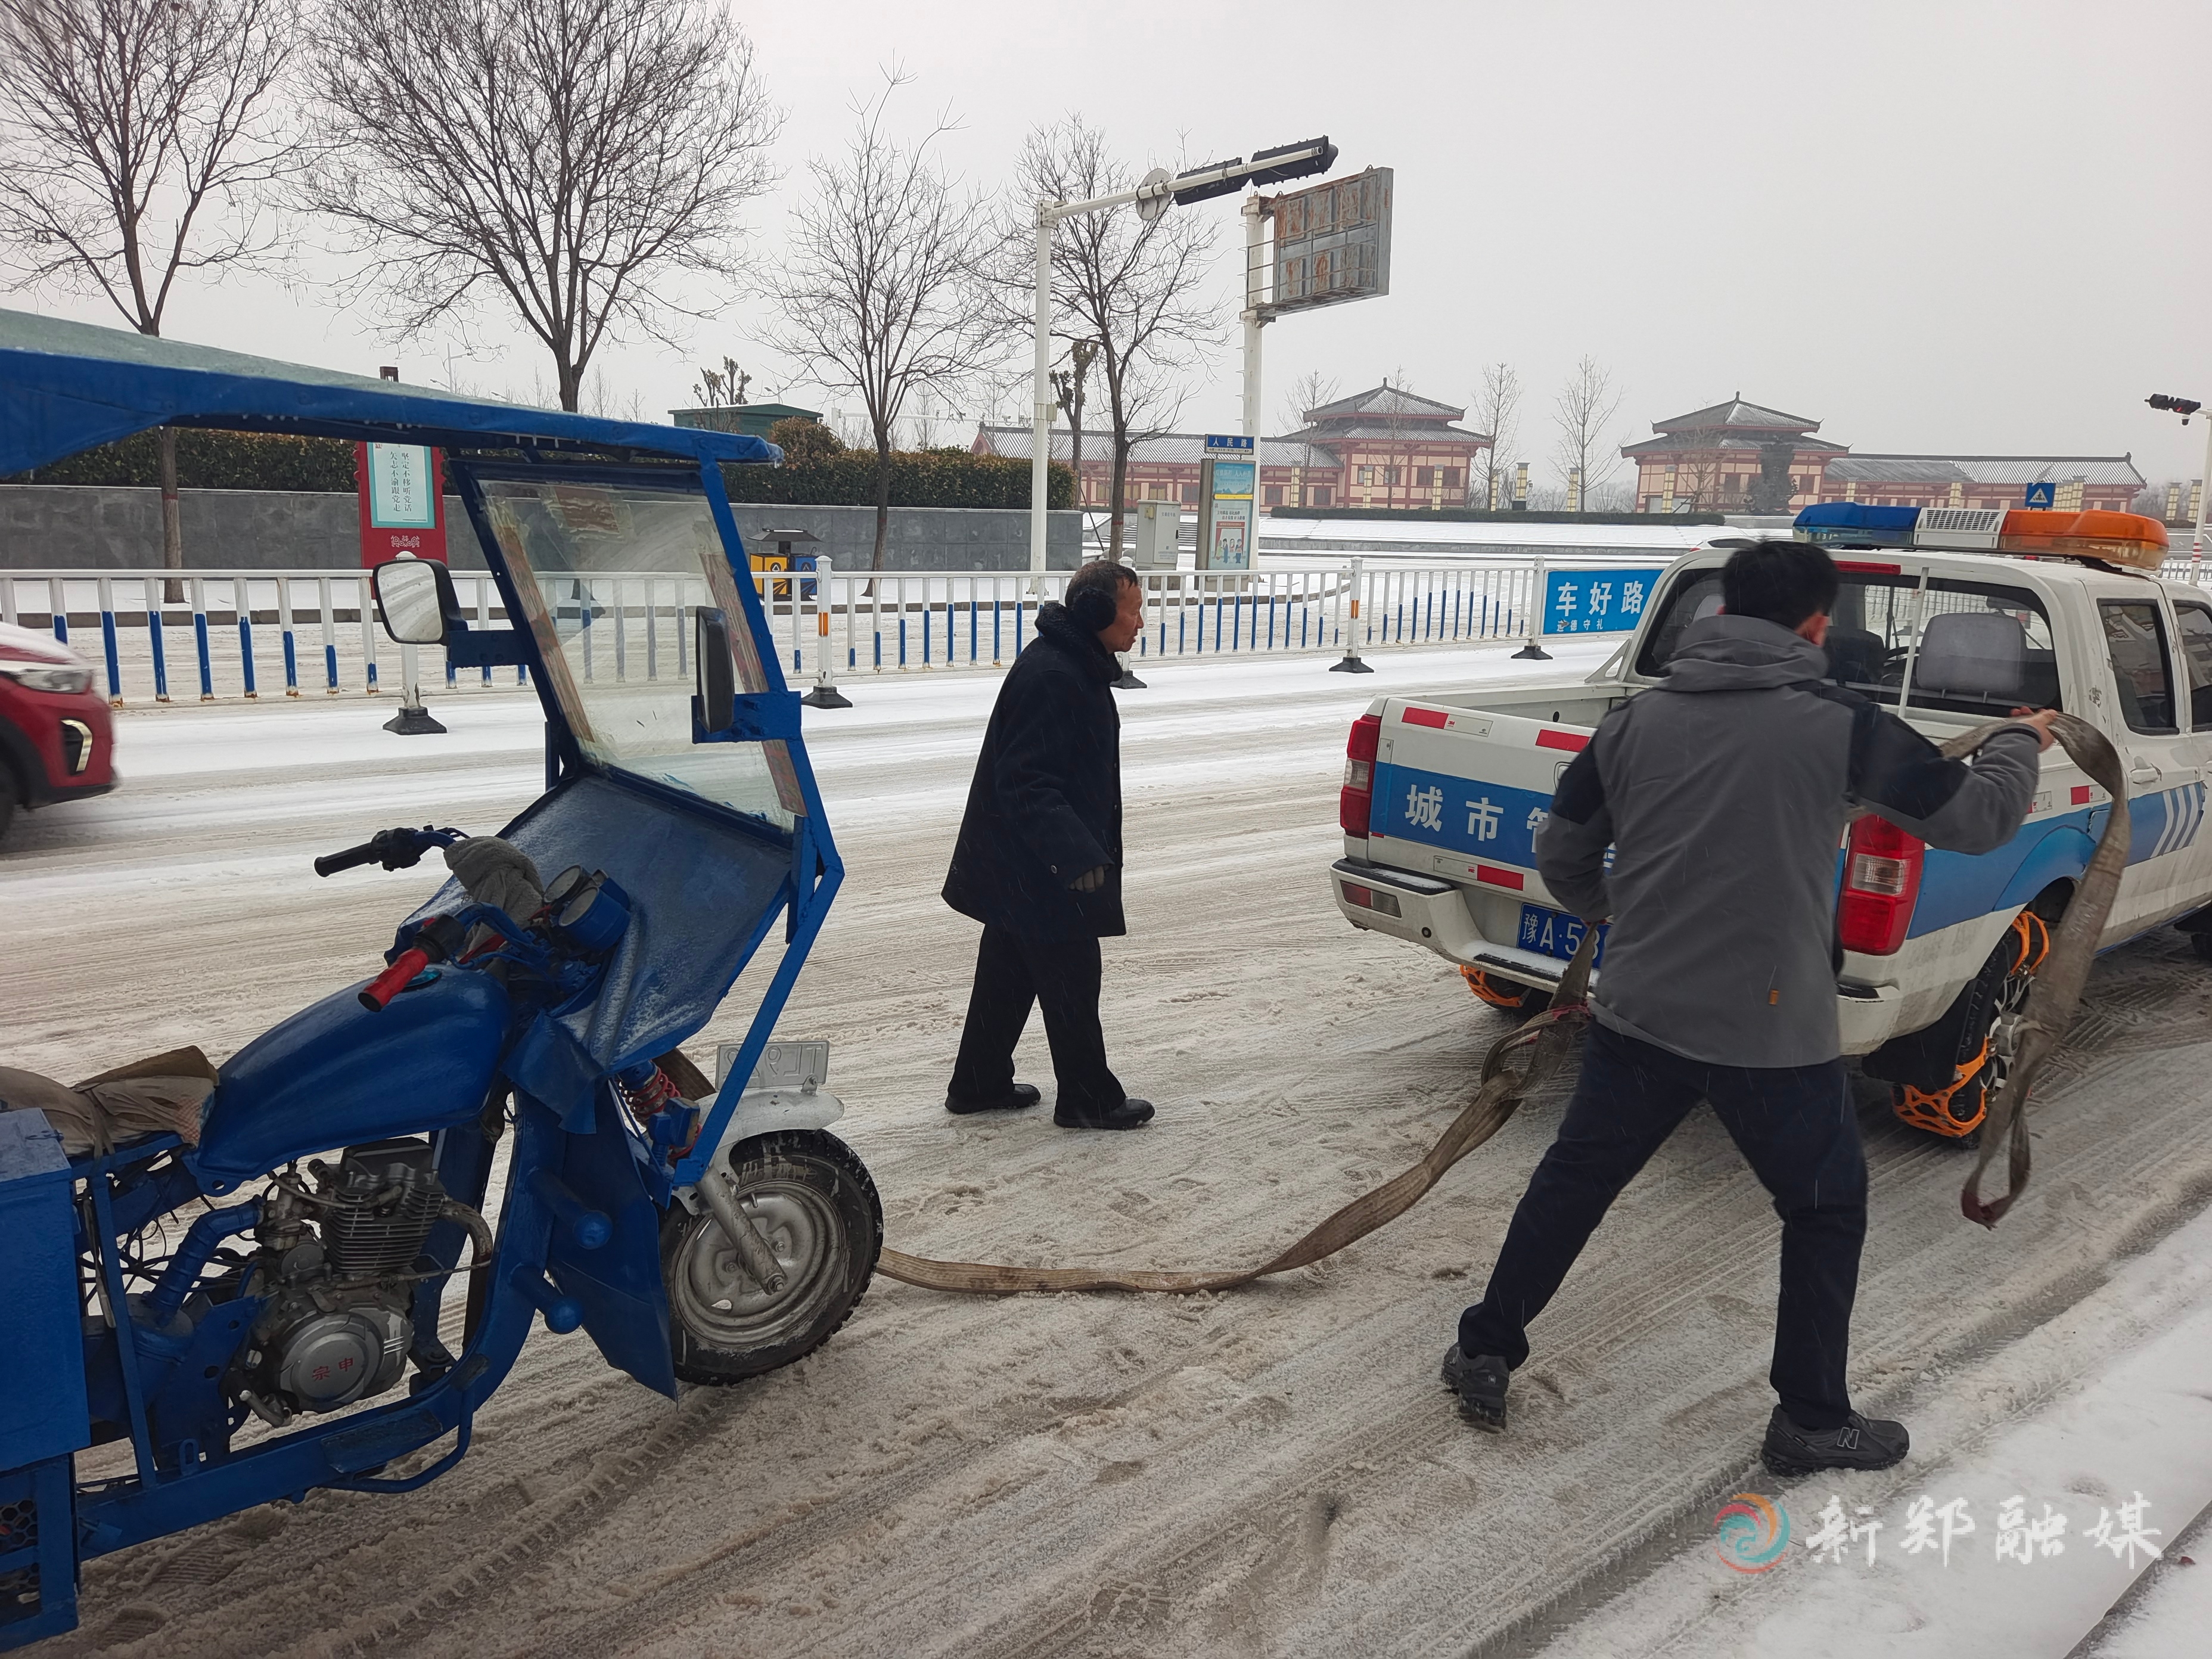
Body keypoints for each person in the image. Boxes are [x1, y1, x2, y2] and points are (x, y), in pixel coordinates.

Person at [1441, 539, 2057, 1475]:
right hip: (1774, 1035)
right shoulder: (1842, 725)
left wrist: (1632, 915)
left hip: (1640, 1013)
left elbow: (1564, 861)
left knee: (1574, 1184)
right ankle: (1810, 1418)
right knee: (1822, 1210)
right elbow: (1977, 820)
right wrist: (2021, 742)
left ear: (1725, 612)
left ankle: (1485, 1348)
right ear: (1817, 626)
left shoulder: (1631, 726)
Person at [940, 558, 1154, 1130]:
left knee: (1007, 975)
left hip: (1024, 861)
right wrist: (1078, 855)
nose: (1140, 622)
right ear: (1095, 612)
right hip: (1045, 866)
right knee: (1073, 979)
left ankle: (978, 1083)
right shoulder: (1056, 675)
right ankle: (1089, 1098)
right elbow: (1026, 781)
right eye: (1132, 609)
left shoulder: (1073, 664)